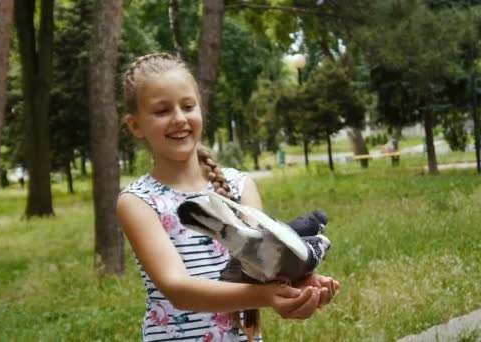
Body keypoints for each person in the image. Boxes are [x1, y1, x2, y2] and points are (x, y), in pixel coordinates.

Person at [116, 53, 340, 342]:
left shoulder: (239, 185)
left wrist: (300, 287)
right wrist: (268, 296)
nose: (179, 119)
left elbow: (266, 270)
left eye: (188, 106)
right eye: (162, 111)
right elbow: (178, 290)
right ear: (135, 125)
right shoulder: (138, 201)